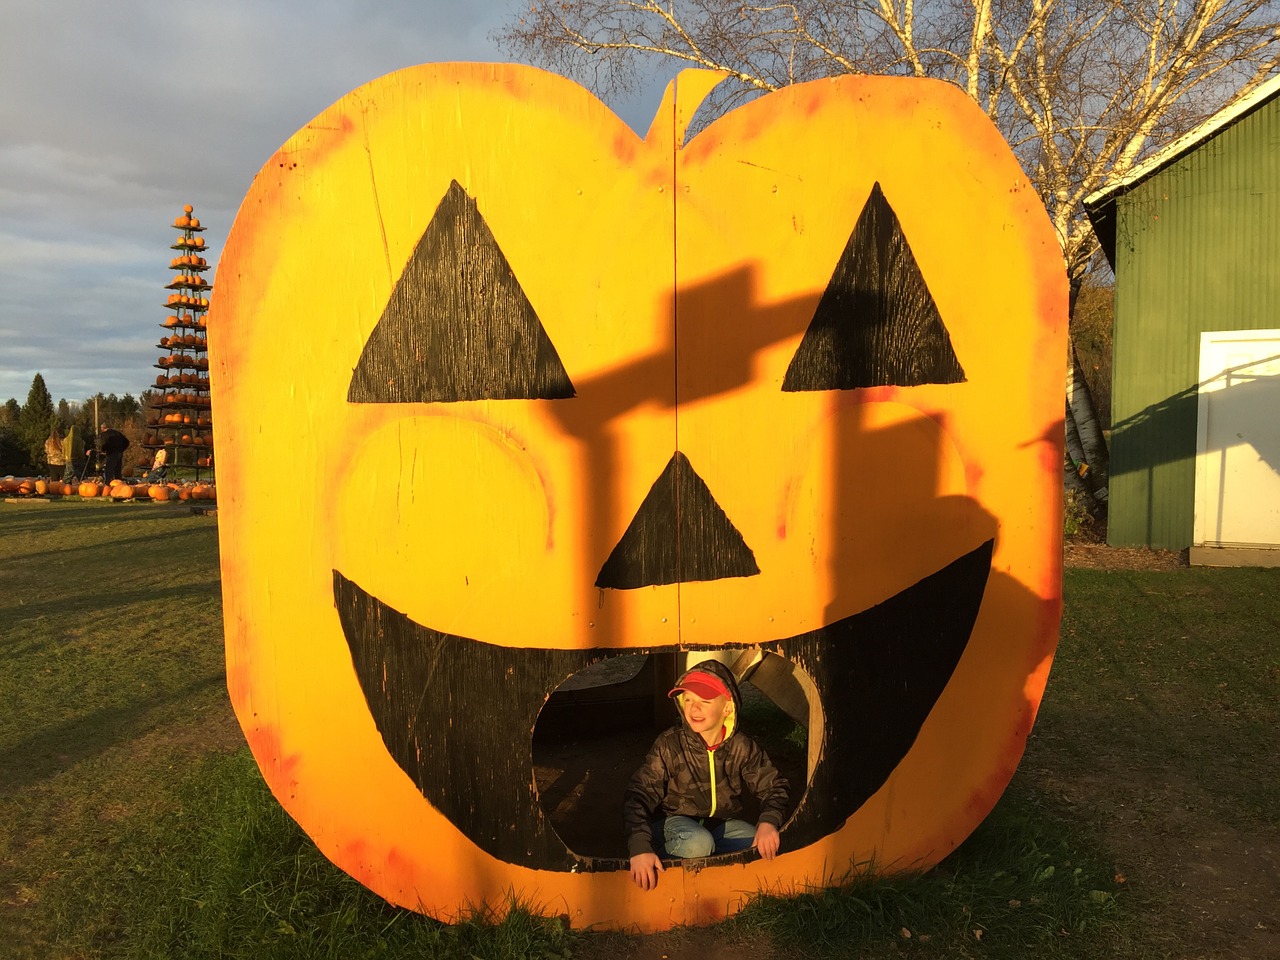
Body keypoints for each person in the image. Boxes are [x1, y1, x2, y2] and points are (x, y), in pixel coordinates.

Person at [624, 659, 789, 891]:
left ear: (727, 708)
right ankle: (655, 876)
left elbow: (774, 785)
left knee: (757, 843)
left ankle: (718, 884)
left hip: (720, 824)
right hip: (673, 823)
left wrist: (768, 822)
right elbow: (638, 795)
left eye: (704, 700)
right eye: (688, 699)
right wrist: (640, 846)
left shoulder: (742, 747)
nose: (693, 708)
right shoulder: (670, 745)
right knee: (698, 843)